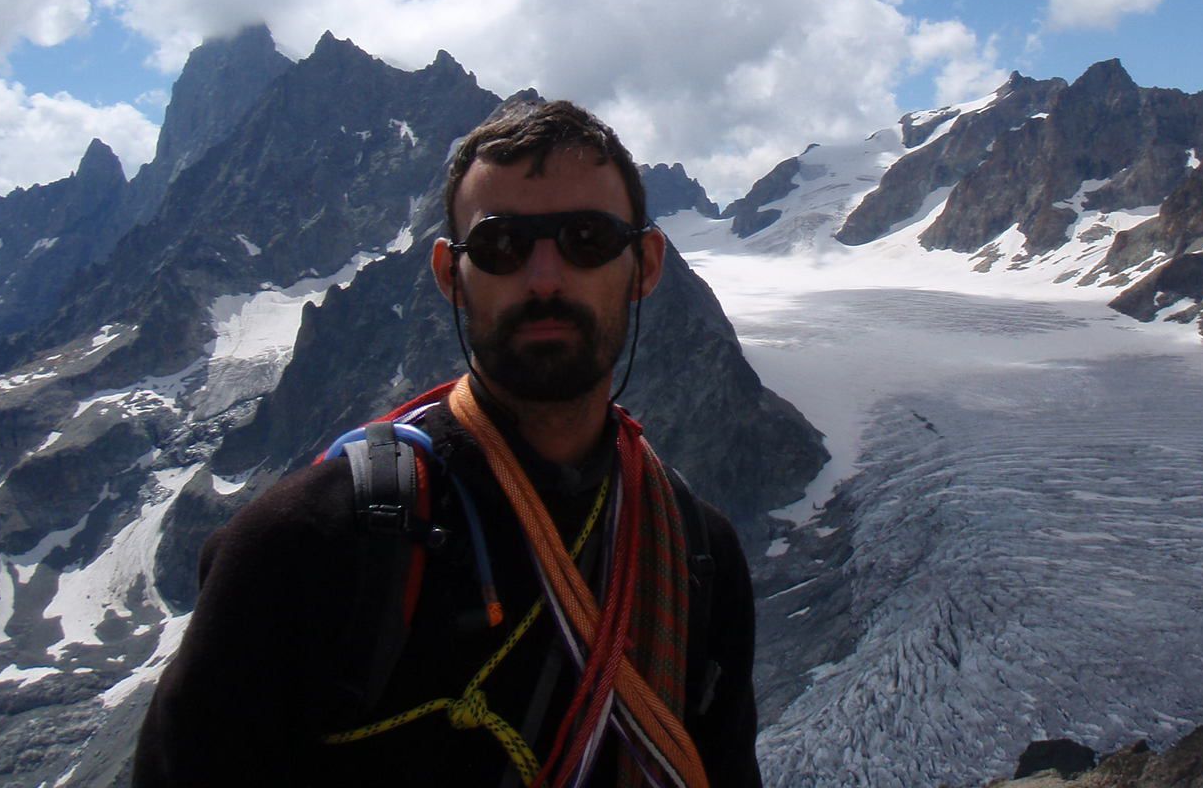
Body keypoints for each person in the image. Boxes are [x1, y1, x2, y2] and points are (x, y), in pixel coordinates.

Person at [134, 100, 762, 787]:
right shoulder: (307, 545)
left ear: (644, 265)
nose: (545, 278)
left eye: (587, 239)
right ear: (449, 277)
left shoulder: (699, 554)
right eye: (501, 246)